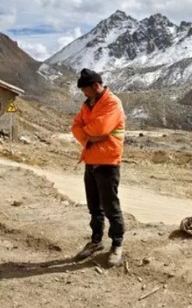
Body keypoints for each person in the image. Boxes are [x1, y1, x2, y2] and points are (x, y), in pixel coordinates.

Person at [71, 69, 126, 266]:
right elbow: (75, 126)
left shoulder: (112, 103)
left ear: (95, 86)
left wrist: (89, 132)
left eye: (85, 90)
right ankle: (96, 241)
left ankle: (117, 244)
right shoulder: (89, 104)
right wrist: (89, 137)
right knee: (94, 206)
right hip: (91, 160)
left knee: (111, 206)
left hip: (107, 162)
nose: (84, 94)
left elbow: (100, 129)